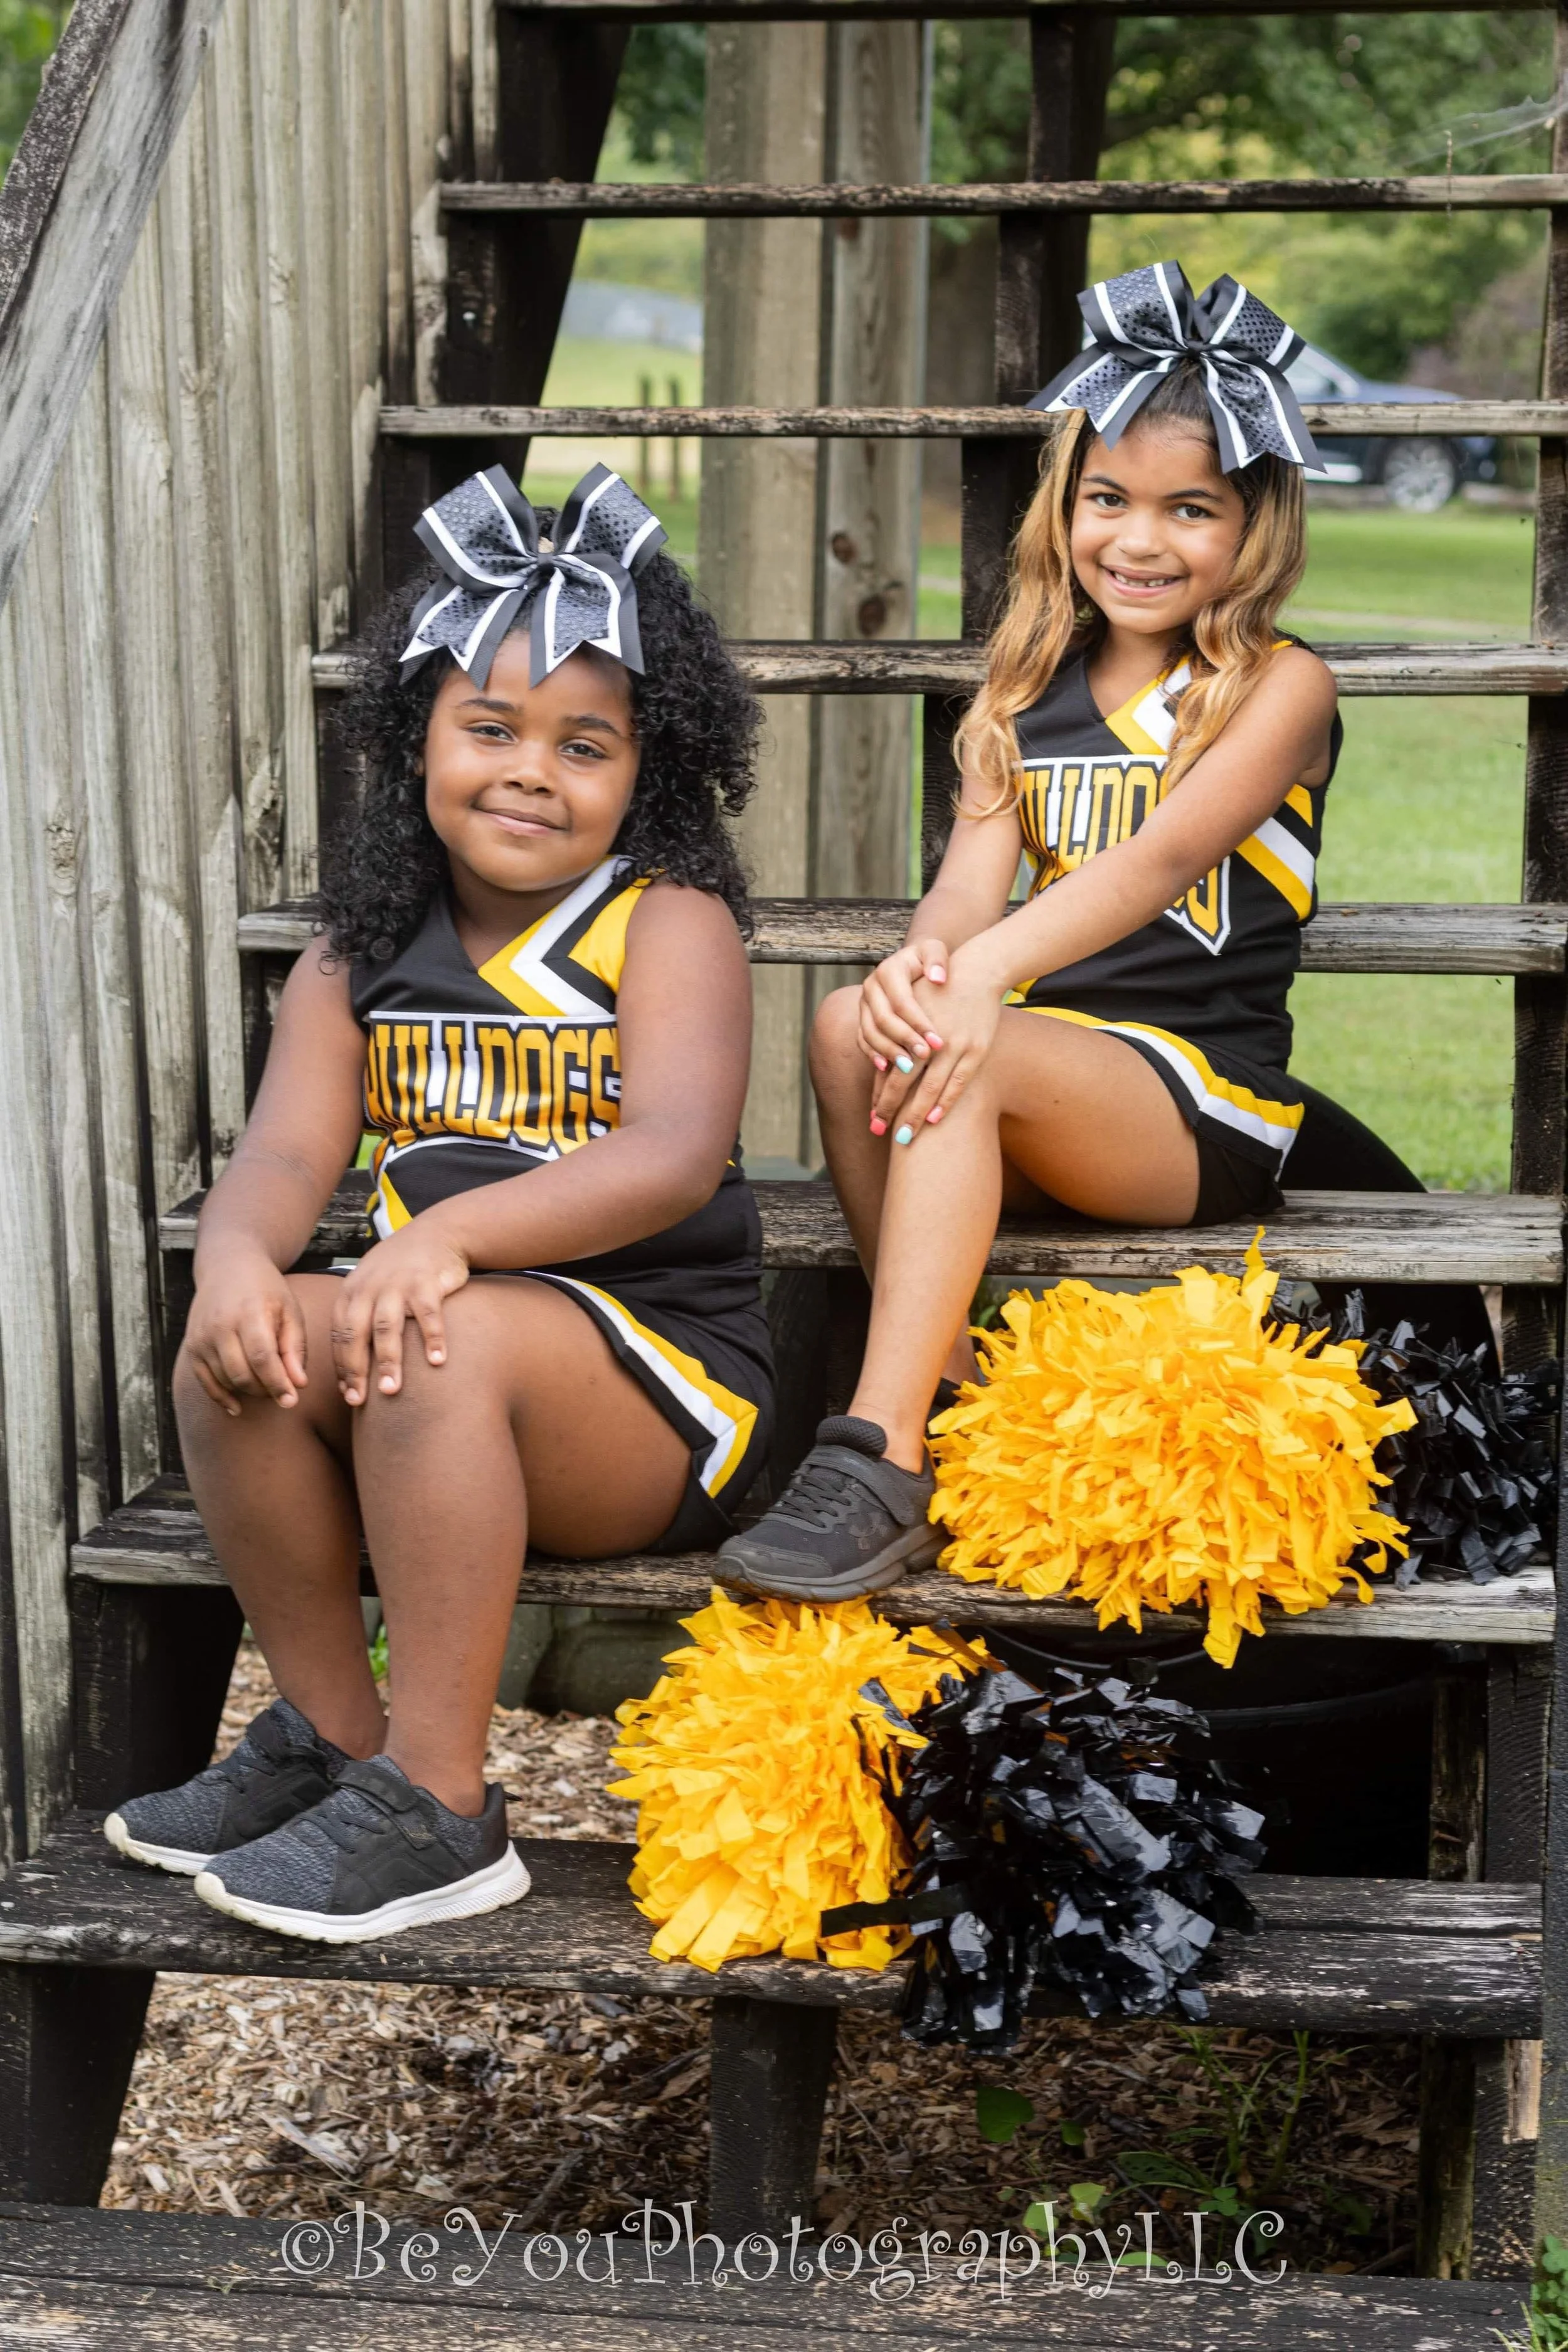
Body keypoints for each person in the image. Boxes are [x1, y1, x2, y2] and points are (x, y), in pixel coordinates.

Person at [105, 464, 773, 1942]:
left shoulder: (670, 923)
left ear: (646, 772)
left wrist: (447, 1235)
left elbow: (667, 1153)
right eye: (490, 728)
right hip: (446, 1342)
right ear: (417, 741)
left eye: (581, 744)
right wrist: (230, 1264)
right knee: (244, 1347)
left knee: (421, 1334)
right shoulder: (363, 949)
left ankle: (444, 1802)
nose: (530, 768)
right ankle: (338, 1738)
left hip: (651, 1382)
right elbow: (284, 1166)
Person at [719, 262, 1338, 1604]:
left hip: (1197, 1097)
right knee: (843, 1028)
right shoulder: (1022, 686)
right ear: (1063, 510)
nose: (1139, 539)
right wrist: (922, 969)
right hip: (1039, 1067)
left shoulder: (1273, 686)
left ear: (1256, 525)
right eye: (1106, 501)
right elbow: (964, 891)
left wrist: (982, 979)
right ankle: (942, 1413)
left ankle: (875, 1454)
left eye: (1191, 509)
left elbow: (1160, 858)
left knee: (965, 1043)